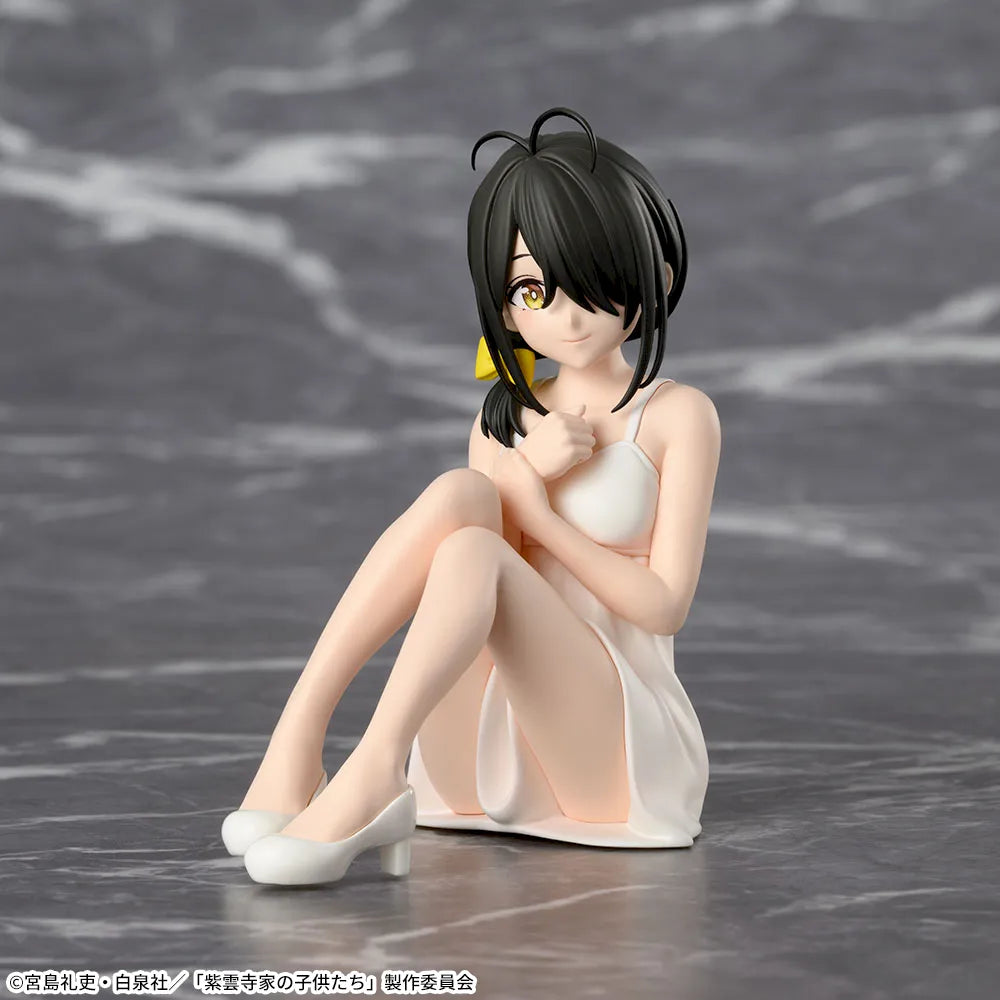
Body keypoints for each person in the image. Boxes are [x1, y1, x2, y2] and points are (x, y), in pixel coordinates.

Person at [223, 107, 722, 886]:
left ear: (652, 276)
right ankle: (298, 741)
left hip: (613, 749)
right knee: (463, 498)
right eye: (532, 289)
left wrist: (539, 512)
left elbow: (663, 607)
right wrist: (518, 478)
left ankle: (373, 770)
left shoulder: (676, 416)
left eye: (593, 280)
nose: (564, 314)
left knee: (479, 546)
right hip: (480, 748)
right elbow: (474, 588)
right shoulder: (507, 415)